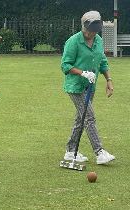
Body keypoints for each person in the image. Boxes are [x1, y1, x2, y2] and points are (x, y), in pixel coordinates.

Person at [61, 11, 115, 165]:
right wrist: (82, 73)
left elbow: (102, 61)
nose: (91, 34)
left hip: (91, 86)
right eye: (89, 30)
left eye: (94, 31)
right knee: (89, 117)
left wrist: (108, 80)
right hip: (76, 86)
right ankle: (99, 152)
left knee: (81, 119)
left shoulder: (98, 40)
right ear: (83, 27)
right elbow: (65, 65)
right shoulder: (73, 41)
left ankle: (71, 151)